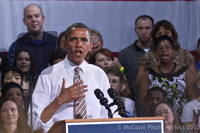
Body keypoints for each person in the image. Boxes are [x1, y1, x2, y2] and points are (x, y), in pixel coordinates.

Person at [28, 23, 120, 132]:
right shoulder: (48, 75)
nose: (78, 44)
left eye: (84, 40)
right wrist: (59, 100)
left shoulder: (99, 74)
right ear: (64, 44)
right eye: (73, 39)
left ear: (90, 46)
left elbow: (111, 115)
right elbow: (33, 123)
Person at [139, 35, 198, 118]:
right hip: (158, 120)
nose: (164, 50)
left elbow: (193, 100)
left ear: (173, 51)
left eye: (168, 47)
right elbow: (143, 101)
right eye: (160, 48)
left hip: (182, 121)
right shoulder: (148, 74)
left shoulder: (186, 72)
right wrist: (153, 118)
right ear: (156, 53)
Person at [136, 20, 196, 87]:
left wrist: (180, 69)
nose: (163, 36)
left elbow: (195, 81)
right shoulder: (147, 57)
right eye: (159, 33)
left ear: (172, 35)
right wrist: (153, 69)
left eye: (166, 33)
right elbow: (138, 83)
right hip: (155, 95)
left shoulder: (185, 55)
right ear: (155, 37)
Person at [118, 15, 154, 116]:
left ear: (153, 29)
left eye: (147, 28)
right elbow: (121, 74)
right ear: (135, 30)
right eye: (140, 28)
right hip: (135, 108)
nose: (144, 32)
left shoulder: (161, 53)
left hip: (159, 106)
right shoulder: (125, 54)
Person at [7, 4, 57, 75]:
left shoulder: (57, 43)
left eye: (37, 16)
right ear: (24, 21)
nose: (33, 20)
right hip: (26, 85)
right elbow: (13, 75)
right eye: (29, 17)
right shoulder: (16, 47)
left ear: (43, 18)